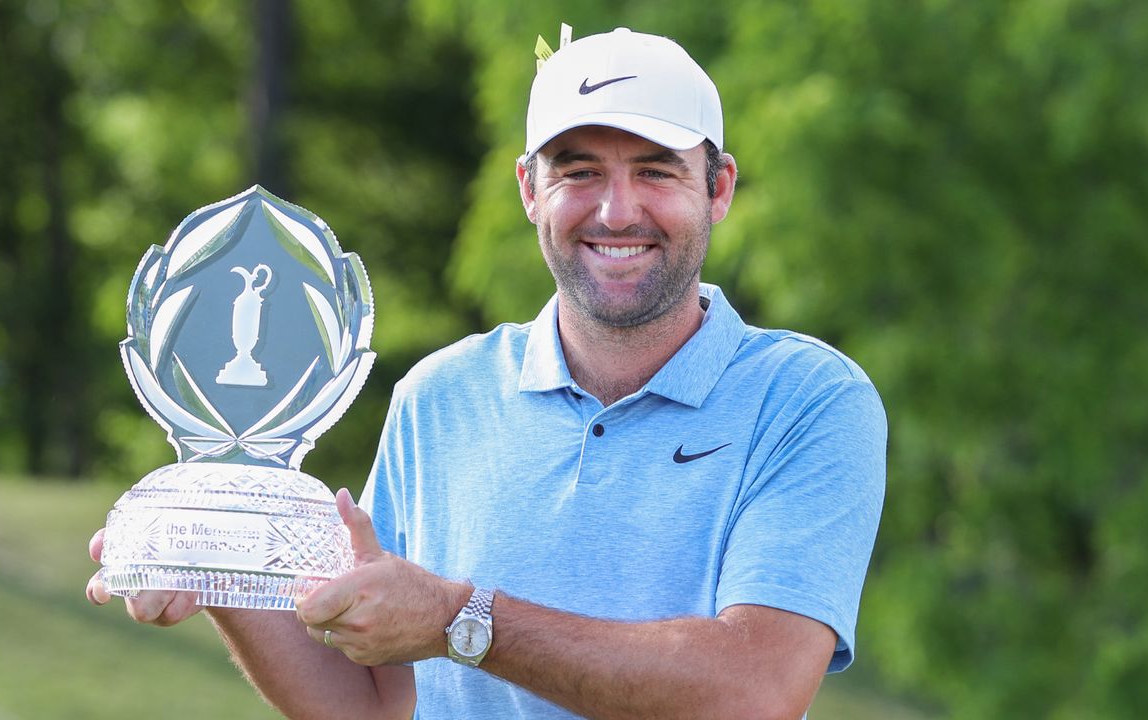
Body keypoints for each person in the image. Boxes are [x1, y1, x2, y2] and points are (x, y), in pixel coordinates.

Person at [87, 26, 886, 720]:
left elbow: (753, 691)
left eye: (655, 171)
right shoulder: (440, 396)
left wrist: (462, 619)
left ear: (718, 190)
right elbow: (373, 703)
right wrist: (216, 558)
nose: (615, 211)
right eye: (578, 171)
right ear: (529, 191)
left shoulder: (808, 400)